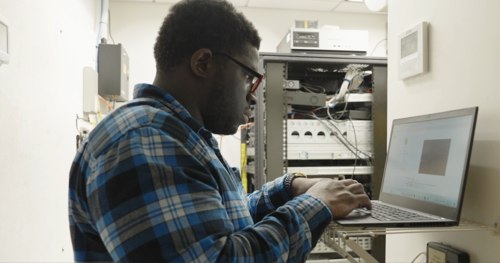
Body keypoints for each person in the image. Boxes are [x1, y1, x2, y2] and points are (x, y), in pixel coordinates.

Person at [68, 0, 372, 262]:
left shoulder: (175, 133)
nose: (253, 95)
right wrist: (316, 204)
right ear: (203, 63)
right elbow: (218, 256)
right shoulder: (144, 140)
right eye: (249, 78)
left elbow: (221, 219)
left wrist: (289, 188)